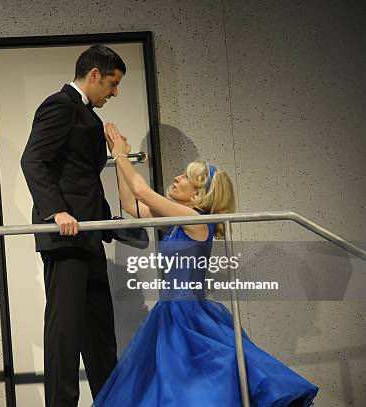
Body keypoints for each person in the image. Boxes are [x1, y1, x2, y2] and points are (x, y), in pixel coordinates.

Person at [93, 123, 319, 406]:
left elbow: (141, 192)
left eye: (186, 177)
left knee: (191, 385)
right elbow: (129, 203)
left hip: (188, 314)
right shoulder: (176, 221)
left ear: (198, 195)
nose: (176, 178)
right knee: (172, 386)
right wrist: (117, 159)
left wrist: (121, 154)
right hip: (170, 311)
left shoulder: (195, 220)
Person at [20, 45, 126, 407]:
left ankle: (111, 401)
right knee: (65, 332)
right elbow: (32, 159)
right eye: (112, 83)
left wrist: (109, 222)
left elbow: (86, 180)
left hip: (89, 237)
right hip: (65, 239)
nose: (115, 92)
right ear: (94, 74)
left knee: (99, 332)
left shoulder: (91, 119)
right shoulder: (59, 105)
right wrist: (55, 212)